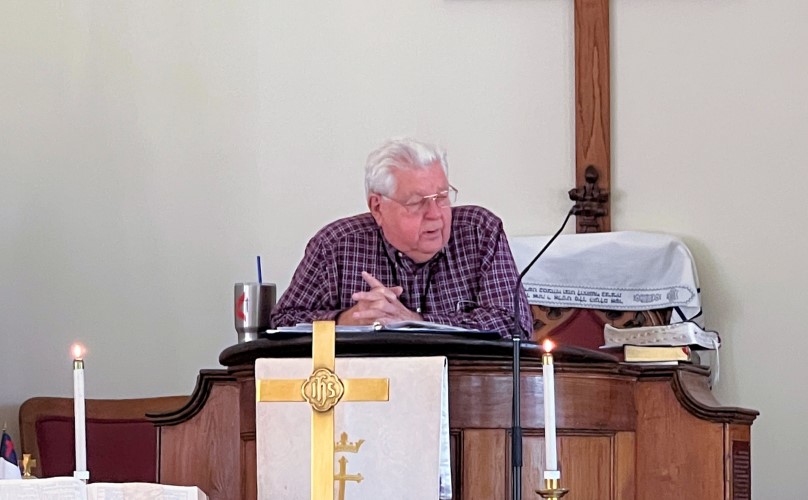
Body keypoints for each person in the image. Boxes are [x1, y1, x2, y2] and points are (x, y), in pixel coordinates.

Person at [270, 137, 532, 338]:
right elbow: (282, 323)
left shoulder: (480, 232)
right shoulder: (336, 245)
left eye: (441, 197)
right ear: (378, 207)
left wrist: (414, 322)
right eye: (417, 202)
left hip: (465, 386)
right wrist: (344, 321)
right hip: (366, 387)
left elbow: (515, 325)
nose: (435, 214)